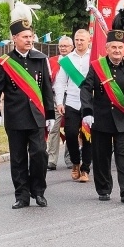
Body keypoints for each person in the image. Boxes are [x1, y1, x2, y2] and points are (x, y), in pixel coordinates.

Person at [0, 6, 55, 209]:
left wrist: (50, 114)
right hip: (15, 118)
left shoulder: (40, 60)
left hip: (36, 117)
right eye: (25, 37)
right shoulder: (6, 63)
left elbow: (46, 89)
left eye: (31, 36)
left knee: (39, 154)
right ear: (15, 38)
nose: (29, 40)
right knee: (17, 159)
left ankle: (39, 191)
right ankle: (22, 195)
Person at [79, 28, 124, 203]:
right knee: (102, 156)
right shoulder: (98, 67)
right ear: (107, 48)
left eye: (120, 47)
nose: (117, 51)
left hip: (123, 118)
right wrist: (87, 111)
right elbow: (85, 88)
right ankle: (104, 188)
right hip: (102, 118)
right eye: (113, 47)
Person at [54, 29, 92, 183]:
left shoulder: (94, 58)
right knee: (70, 134)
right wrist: (59, 102)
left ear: (89, 41)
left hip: (89, 103)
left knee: (88, 136)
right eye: (77, 39)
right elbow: (60, 82)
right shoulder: (67, 60)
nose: (79, 42)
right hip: (72, 102)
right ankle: (75, 163)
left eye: (82, 40)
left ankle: (85, 169)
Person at [46, 37, 72, 170]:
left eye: (66, 46)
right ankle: (51, 159)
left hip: (72, 98)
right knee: (53, 128)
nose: (63, 48)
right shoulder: (52, 61)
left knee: (71, 129)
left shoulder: (75, 60)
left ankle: (70, 158)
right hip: (56, 99)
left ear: (71, 47)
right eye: (61, 46)